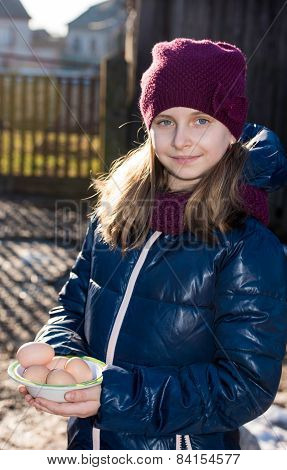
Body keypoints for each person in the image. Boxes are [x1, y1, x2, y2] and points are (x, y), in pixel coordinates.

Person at [19, 38, 287, 450]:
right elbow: (72, 304)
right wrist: (60, 358)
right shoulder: (116, 210)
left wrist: (113, 396)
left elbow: (245, 385)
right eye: (165, 120)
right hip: (89, 443)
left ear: (231, 129)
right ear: (148, 126)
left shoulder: (247, 246)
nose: (181, 140)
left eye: (201, 120)